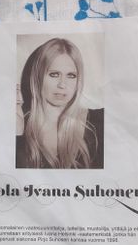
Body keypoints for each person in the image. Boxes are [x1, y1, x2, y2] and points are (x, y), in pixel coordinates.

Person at [16, 38, 104, 169]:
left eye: (71, 75)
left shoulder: (100, 121)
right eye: (54, 74)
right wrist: (17, 134)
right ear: (38, 77)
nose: (62, 84)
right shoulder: (20, 126)